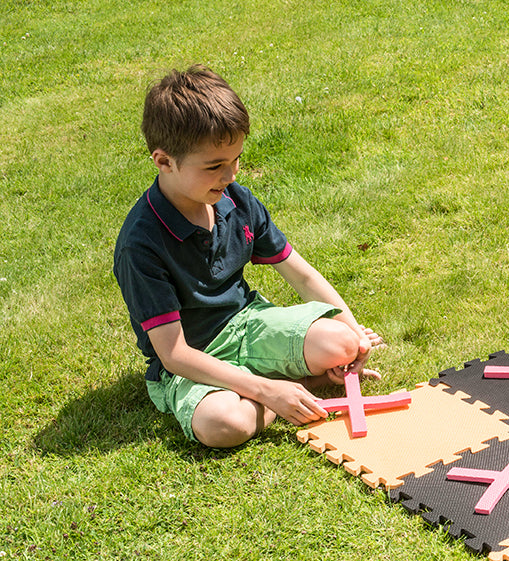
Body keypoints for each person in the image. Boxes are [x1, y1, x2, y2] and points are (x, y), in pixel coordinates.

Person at [114, 66, 384, 448]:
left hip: (248, 325)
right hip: (194, 359)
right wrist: (269, 392)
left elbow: (301, 276)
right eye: (214, 166)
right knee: (225, 424)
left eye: (235, 159)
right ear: (163, 161)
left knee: (339, 342)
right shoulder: (140, 244)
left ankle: (277, 383)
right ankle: (285, 387)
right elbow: (173, 354)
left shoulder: (236, 200)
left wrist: (355, 335)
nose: (229, 175)